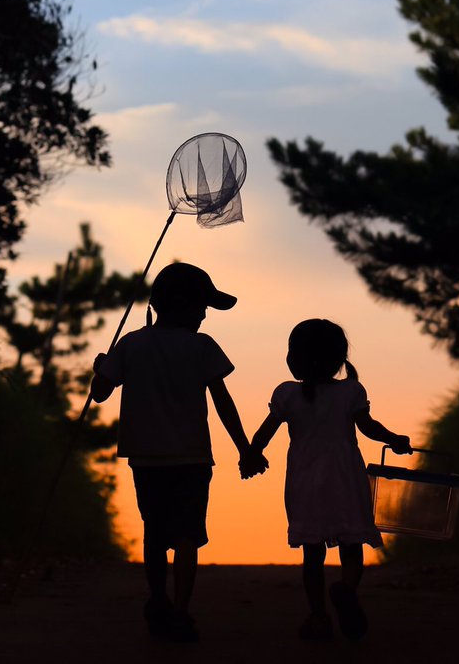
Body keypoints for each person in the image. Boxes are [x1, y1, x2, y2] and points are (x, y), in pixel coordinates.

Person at [89, 262, 266, 642]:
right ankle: (181, 612)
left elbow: (101, 391)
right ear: (183, 304)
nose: (204, 314)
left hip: (146, 458)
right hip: (192, 459)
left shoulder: (131, 344)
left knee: (154, 533)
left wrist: (100, 368)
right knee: (188, 536)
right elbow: (223, 402)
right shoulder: (201, 347)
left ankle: (157, 600)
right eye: (202, 306)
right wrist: (245, 447)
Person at [247, 318, 411, 641]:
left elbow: (262, 434)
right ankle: (346, 588)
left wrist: (251, 454)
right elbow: (368, 427)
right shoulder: (351, 390)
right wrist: (395, 438)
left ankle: (318, 617)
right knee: (351, 544)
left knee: (312, 552)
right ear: (339, 360)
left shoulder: (287, 394)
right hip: (345, 475)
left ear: (295, 359)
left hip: (305, 478)